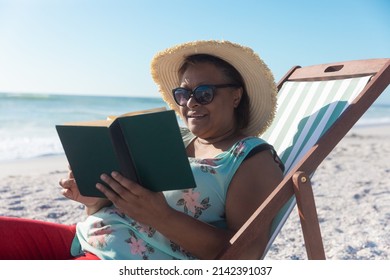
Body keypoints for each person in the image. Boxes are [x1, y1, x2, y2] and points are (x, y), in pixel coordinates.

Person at [0, 40, 284, 260]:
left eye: (204, 93)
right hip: (84, 238)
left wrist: (160, 215)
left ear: (236, 96)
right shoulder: (174, 138)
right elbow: (129, 208)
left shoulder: (250, 159)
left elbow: (245, 257)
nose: (190, 103)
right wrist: (94, 200)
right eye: (184, 94)